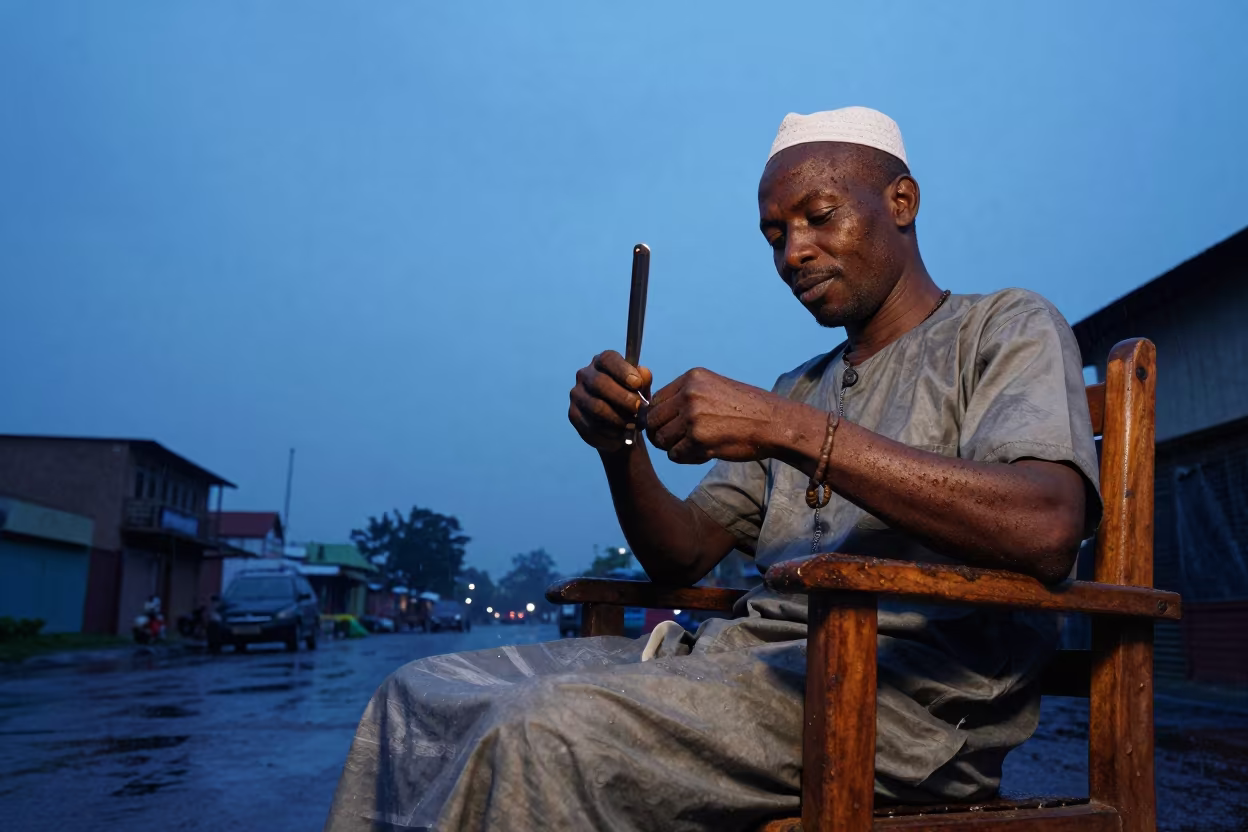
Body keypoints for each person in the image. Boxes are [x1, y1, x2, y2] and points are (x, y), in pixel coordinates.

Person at [324, 107, 1100, 832]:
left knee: (543, 730)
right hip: (741, 671)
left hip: (896, 706)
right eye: (773, 235)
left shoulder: (1004, 326)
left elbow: (1047, 524)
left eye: (819, 216)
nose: (792, 252)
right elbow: (683, 552)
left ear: (901, 201)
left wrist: (790, 430)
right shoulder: (801, 384)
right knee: (415, 700)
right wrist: (618, 446)